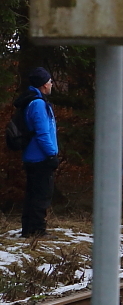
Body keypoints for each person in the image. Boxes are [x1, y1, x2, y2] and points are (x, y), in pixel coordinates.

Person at [18, 67, 58, 238]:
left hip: (33, 156)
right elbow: (42, 133)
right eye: (49, 81)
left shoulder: (33, 101)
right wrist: (51, 154)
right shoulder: (38, 104)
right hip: (40, 157)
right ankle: (37, 230)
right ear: (43, 84)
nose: (51, 84)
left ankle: (29, 229)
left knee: (33, 194)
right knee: (41, 195)